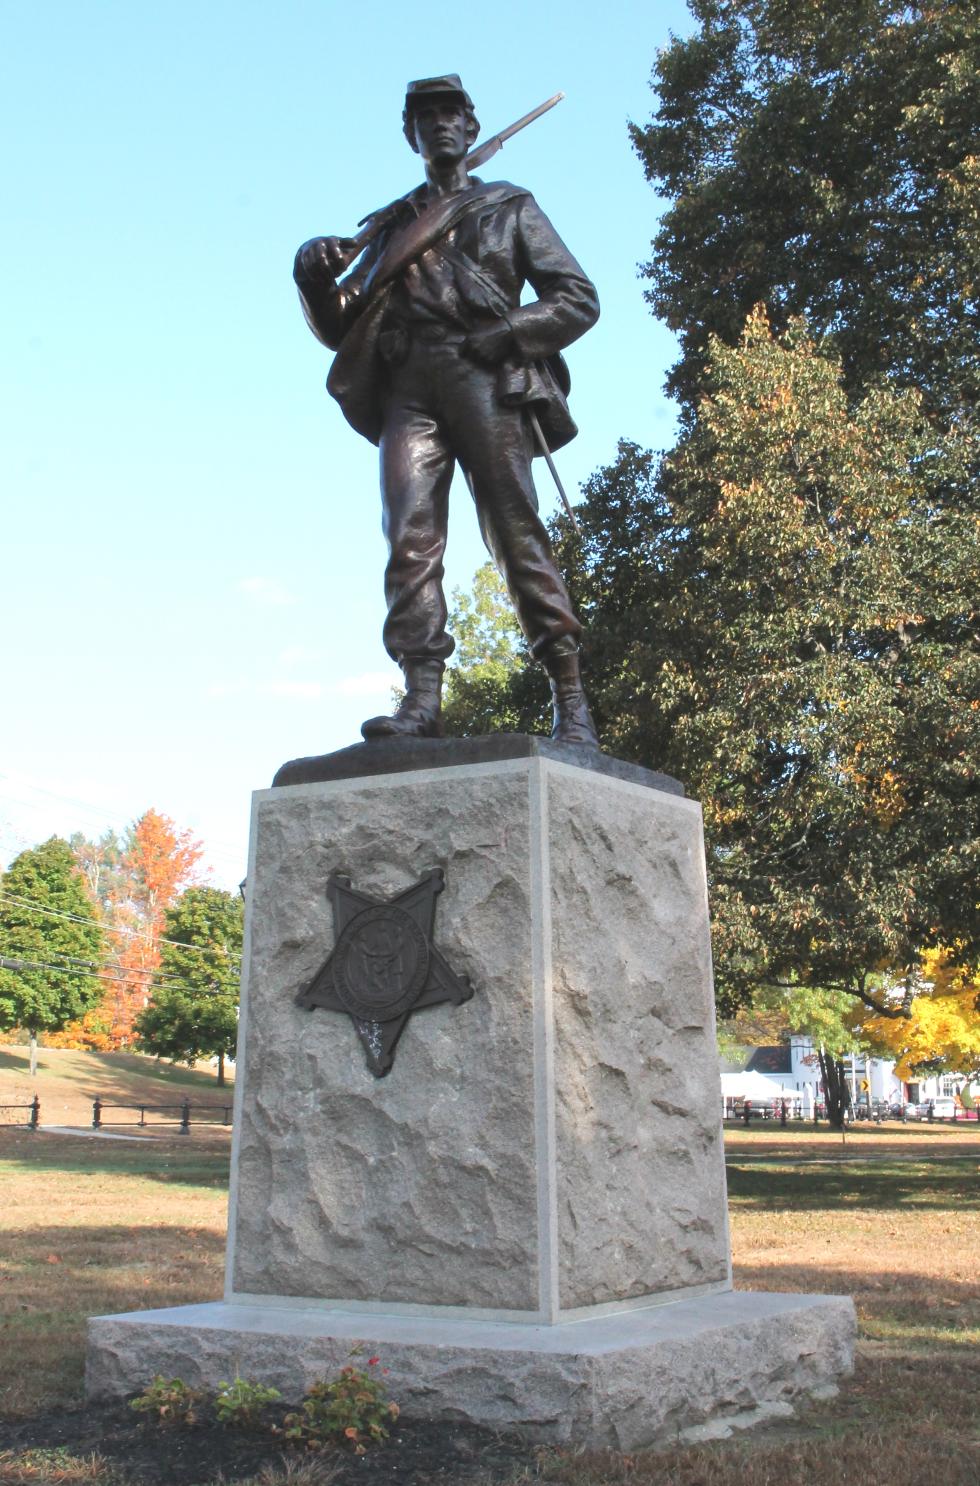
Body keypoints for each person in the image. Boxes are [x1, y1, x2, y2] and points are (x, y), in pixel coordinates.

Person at [293, 75, 600, 744]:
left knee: (516, 535)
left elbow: (577, 297)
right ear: (410, 135)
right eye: (424, 117)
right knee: (409, 537)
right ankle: (421, 700)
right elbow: (342, 322)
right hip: (410, 383)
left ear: (469, 125)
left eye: (449, 113)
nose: (438, 125)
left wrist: (510, 332)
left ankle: (572, 702)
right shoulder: (393, 224)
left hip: (483, 377)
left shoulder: (508, 207)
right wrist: (312, 279)